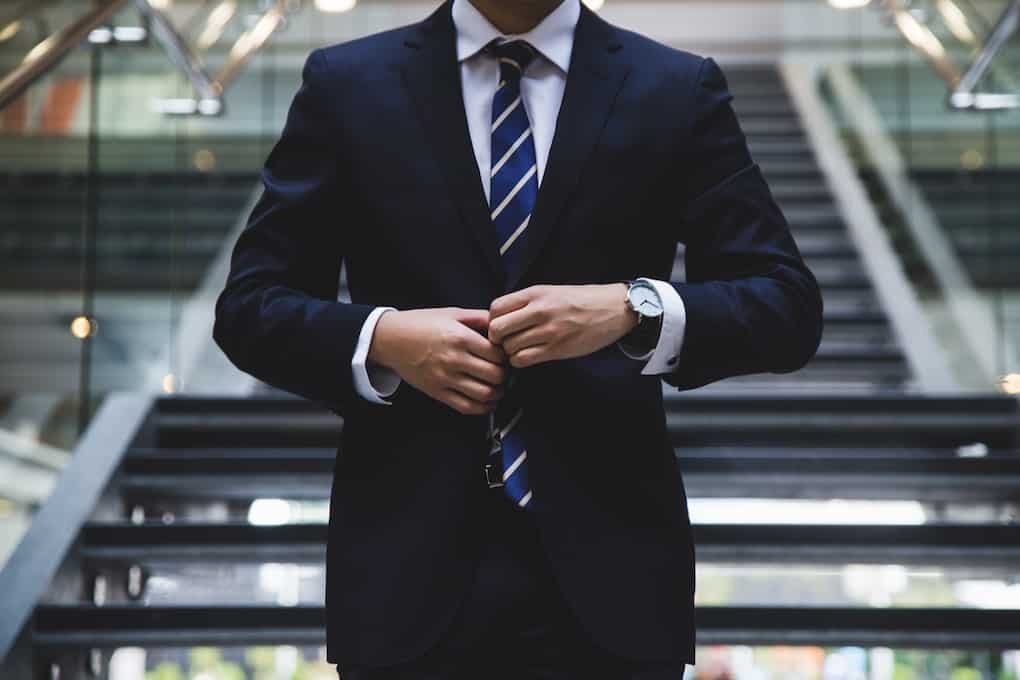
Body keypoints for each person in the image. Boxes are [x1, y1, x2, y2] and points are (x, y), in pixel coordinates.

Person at [212, 0, 824, 676]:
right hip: (404, 579)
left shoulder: (675, 87)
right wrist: (383, 337)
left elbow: (785, 305)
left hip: (613, 584)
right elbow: (249, 307)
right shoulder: (348, 82)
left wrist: (633, 306)